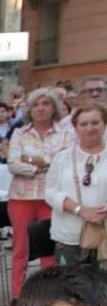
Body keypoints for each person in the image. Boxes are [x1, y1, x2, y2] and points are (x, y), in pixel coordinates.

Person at [4, 88, 71, 306]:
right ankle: (17, 294)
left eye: (45, 103)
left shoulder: (65, 133)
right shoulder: (20, 133)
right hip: (21, 196)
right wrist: (42, 165)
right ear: (30, 110)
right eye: (36, 105)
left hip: (51, 197)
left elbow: (64, 162)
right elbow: (13, 163)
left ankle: (47, 296)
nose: (41, 108)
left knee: (48, 249)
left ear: (54, 107)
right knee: (20, 246)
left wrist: (32, 160)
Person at [45, 103, 107, 267]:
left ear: (104, 124)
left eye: (95, 123)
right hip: (69, 235)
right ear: (75, 127)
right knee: (70, 289)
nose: (89, 128)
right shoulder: (62, 158)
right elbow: (50, 193)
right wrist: (81, 210)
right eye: (83, 124)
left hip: (104, 235)